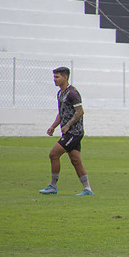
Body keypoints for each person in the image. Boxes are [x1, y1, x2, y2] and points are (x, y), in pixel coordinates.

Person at [39, 67, 93, 196]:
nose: (54, 80)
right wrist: (53, 126)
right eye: (54, 77)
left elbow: (80, 111)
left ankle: (53, 185)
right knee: (76, 161)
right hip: (69, 132)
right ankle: (88, 189)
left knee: (53, 154)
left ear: (65, 77)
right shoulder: (61, 93)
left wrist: (68, 125)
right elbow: (62, 112)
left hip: (74, 132)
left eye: (57, 77)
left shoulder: (72, 93)